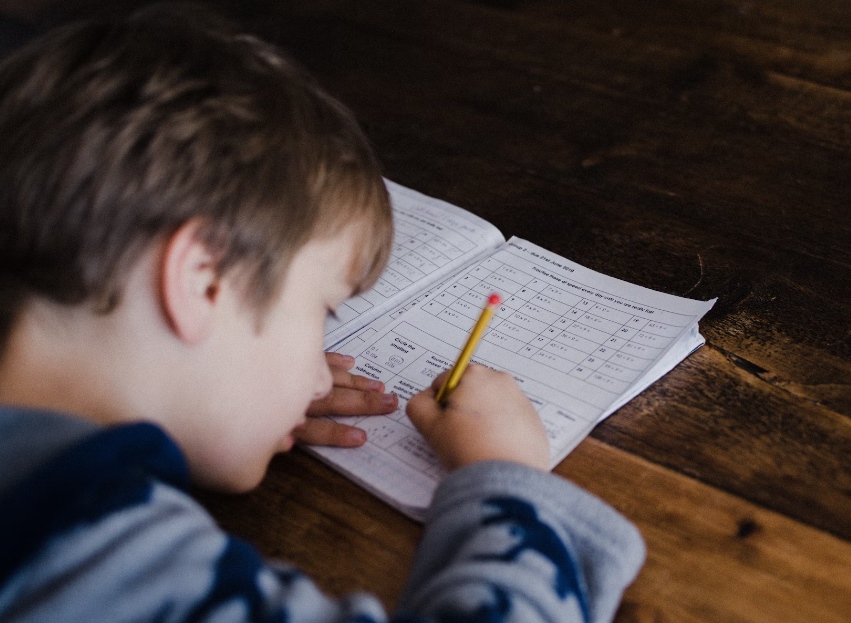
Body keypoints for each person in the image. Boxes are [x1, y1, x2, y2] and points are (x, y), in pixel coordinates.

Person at [0, 5, 645, 623]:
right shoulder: (88, 549)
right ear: (203, 282)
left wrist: (223, 402)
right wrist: (505, 479)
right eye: (324, 312)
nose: (318, 377)